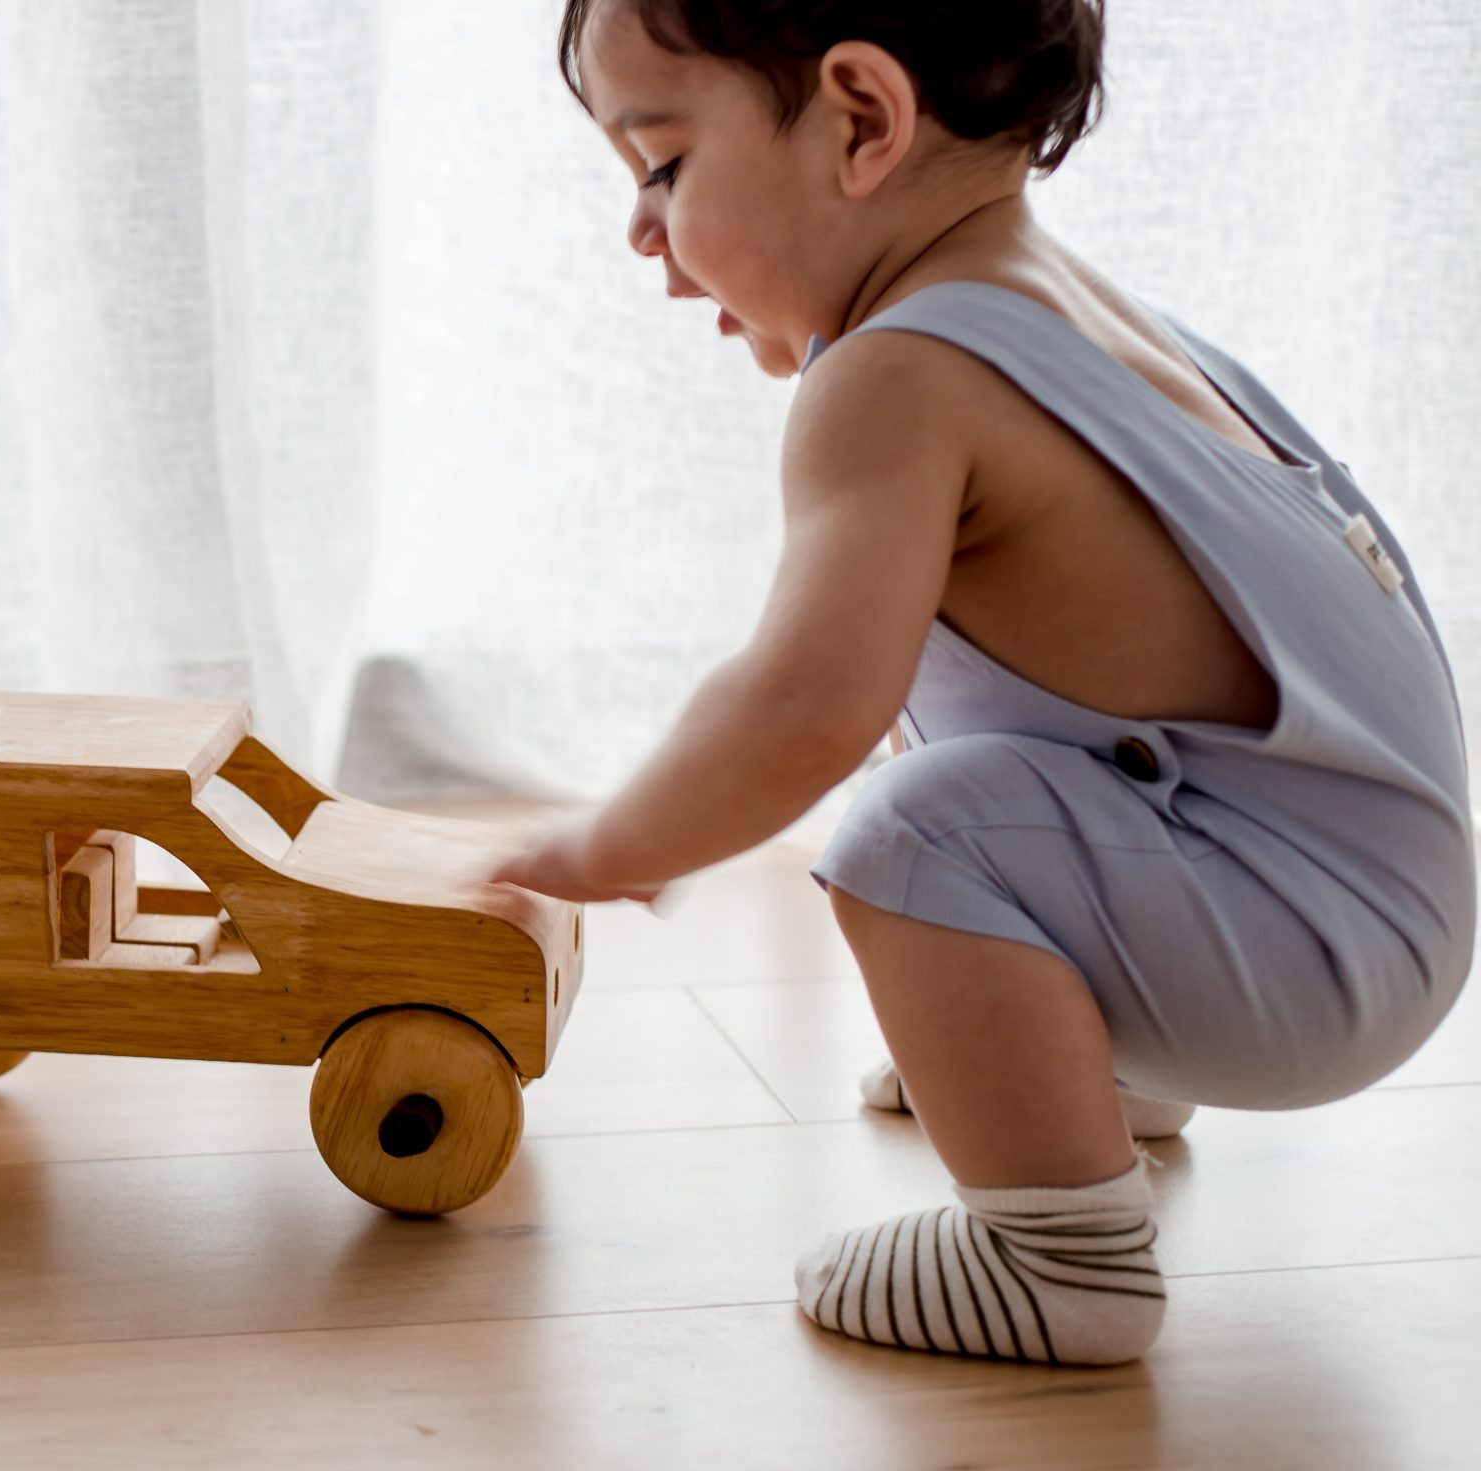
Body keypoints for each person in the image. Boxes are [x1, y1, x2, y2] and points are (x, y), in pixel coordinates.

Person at [488, 0, 1475, 1365]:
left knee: (911, 829)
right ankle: (1072, 1066)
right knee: (983, 741)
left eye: (661, 166)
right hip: (1358, 900)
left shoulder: (897, 379)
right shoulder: (1066, 309)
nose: (641, 232)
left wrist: (616, 840)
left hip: (1306, 961)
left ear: (863, 118)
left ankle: (1059, 1260)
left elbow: (800, 706)